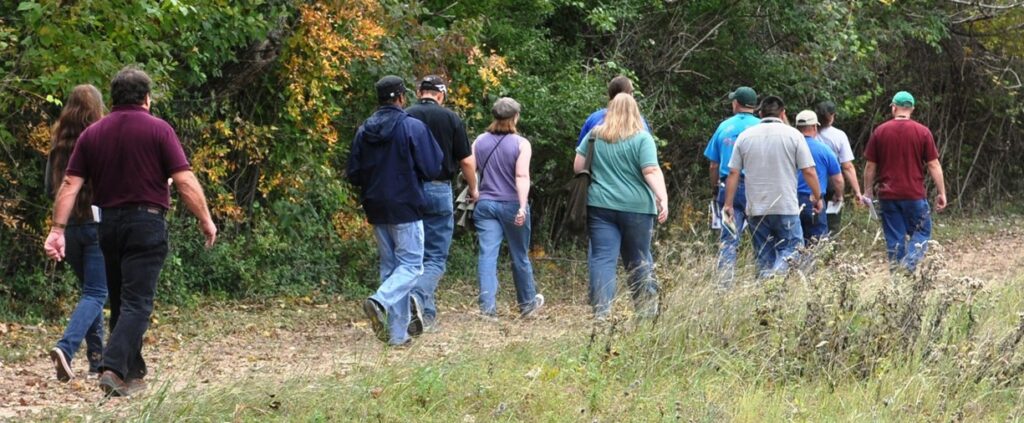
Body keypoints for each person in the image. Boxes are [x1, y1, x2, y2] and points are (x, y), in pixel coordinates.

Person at [44, 67, 217, 397]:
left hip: (107, 226)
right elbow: (184, 180)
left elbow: (69, 184)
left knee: (122, 301)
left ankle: (130, 373)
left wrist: (57, 229)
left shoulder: (93, 135)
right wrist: (206, 219)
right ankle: (112, 367)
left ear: (113, 98)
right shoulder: (159, 130)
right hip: (146, 223)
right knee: (138, 304)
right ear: (147, 98)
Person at [347, 75, 442, 345]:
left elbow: (354, 173)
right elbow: (432, 166)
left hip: (376, 206)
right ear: (401, 97)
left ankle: (398, 337)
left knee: (391, 268)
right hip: (406, 204)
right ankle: (379, 300)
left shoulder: (364, 130)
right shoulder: (413, 127)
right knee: (411, 265)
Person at [574, 93, 668, 319]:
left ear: (610, 110)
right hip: (637, 208)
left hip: (600, 206)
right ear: (635, 112)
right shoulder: (642, 139)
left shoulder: (594, 136)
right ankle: (645, 313)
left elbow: (578, 167)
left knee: (602, 259)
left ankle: (602, 314)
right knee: (638, 258)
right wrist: (662, 197)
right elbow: (651, 170)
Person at [45, 84, 108, 382]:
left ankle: (97, 360)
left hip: (68, 227)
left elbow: (50, 189)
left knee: (90, 293)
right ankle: (66, 347)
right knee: (97, 292)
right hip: (97, 223)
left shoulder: (57, 145)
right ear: (97, 109)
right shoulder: (100, 140)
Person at [404, 75, 475, 334]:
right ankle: (418, 297)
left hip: (408, 190)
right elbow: (466, 161)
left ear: (419, 91)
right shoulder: (451, 119)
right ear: (441, 95)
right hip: (438, 188)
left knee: (413, 254)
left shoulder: (405, 116)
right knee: (435, 256)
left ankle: (426, 315)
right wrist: (474, 189)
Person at [723, 96, 820, 279]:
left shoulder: (745, 137)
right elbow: (808, 170)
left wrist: (728, 204)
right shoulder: (793, 135)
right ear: (783, 113)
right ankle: (774, 279)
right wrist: (817, 196)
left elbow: (733, 173)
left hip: (756, 208)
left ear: (760, 113)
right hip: (786, 206)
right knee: (794, 248)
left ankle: (765, 299)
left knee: (762, 256)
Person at [473, 97, 544, 319]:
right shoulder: (521, 144)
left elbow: (470, 169)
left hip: (485, 204)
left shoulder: (479, 141)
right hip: (512, 204)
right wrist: (523, 207)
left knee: (487, 255)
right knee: (519, 255)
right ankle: (527, 305)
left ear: (494, 116)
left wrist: (475, 191)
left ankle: (487, 309)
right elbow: (521, 175)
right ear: (515, 117)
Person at [862, 91, 946, 273]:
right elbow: (933, 164)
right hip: (914, 194)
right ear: (912, 109)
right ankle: (908, 266)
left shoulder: (880, 131)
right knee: (922, 232)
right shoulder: (923, 132)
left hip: (888, 195)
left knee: (895, 239)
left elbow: (870, 166)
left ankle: (897, 281)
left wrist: (867, 192)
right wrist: (942, 193)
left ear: (893, 107)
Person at [703, 86, 760, 287]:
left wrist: (715, 188)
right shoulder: (762, 127)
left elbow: (713, 164)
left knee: (728, 240)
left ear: (736, 103)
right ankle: (763, 283)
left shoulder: (724, 127)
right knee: (761, 237)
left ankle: (724, 285)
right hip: (757, 190)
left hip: (730, 191)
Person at [794, 110, 844, 244]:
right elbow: (838, 179)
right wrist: (839, 195)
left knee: (793, 243)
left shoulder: (789, 147)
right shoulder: (824, 149)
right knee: (817, 243)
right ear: (815, 127)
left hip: (790, 199)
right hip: (814, 200)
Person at [814, 100, 864, 234]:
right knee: (832, 222)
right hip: (832, 182)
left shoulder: (807, 133)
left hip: (808, 180)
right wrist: (857, 191)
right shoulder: (838, 135)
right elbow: (847, 166)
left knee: (811, 220)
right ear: (832, 116)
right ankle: (830, 248)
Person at [576, 75, 649, 147]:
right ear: (627, 96)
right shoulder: (639, 123)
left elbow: (581, 151)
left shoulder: (593, 119)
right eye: (631, 92)